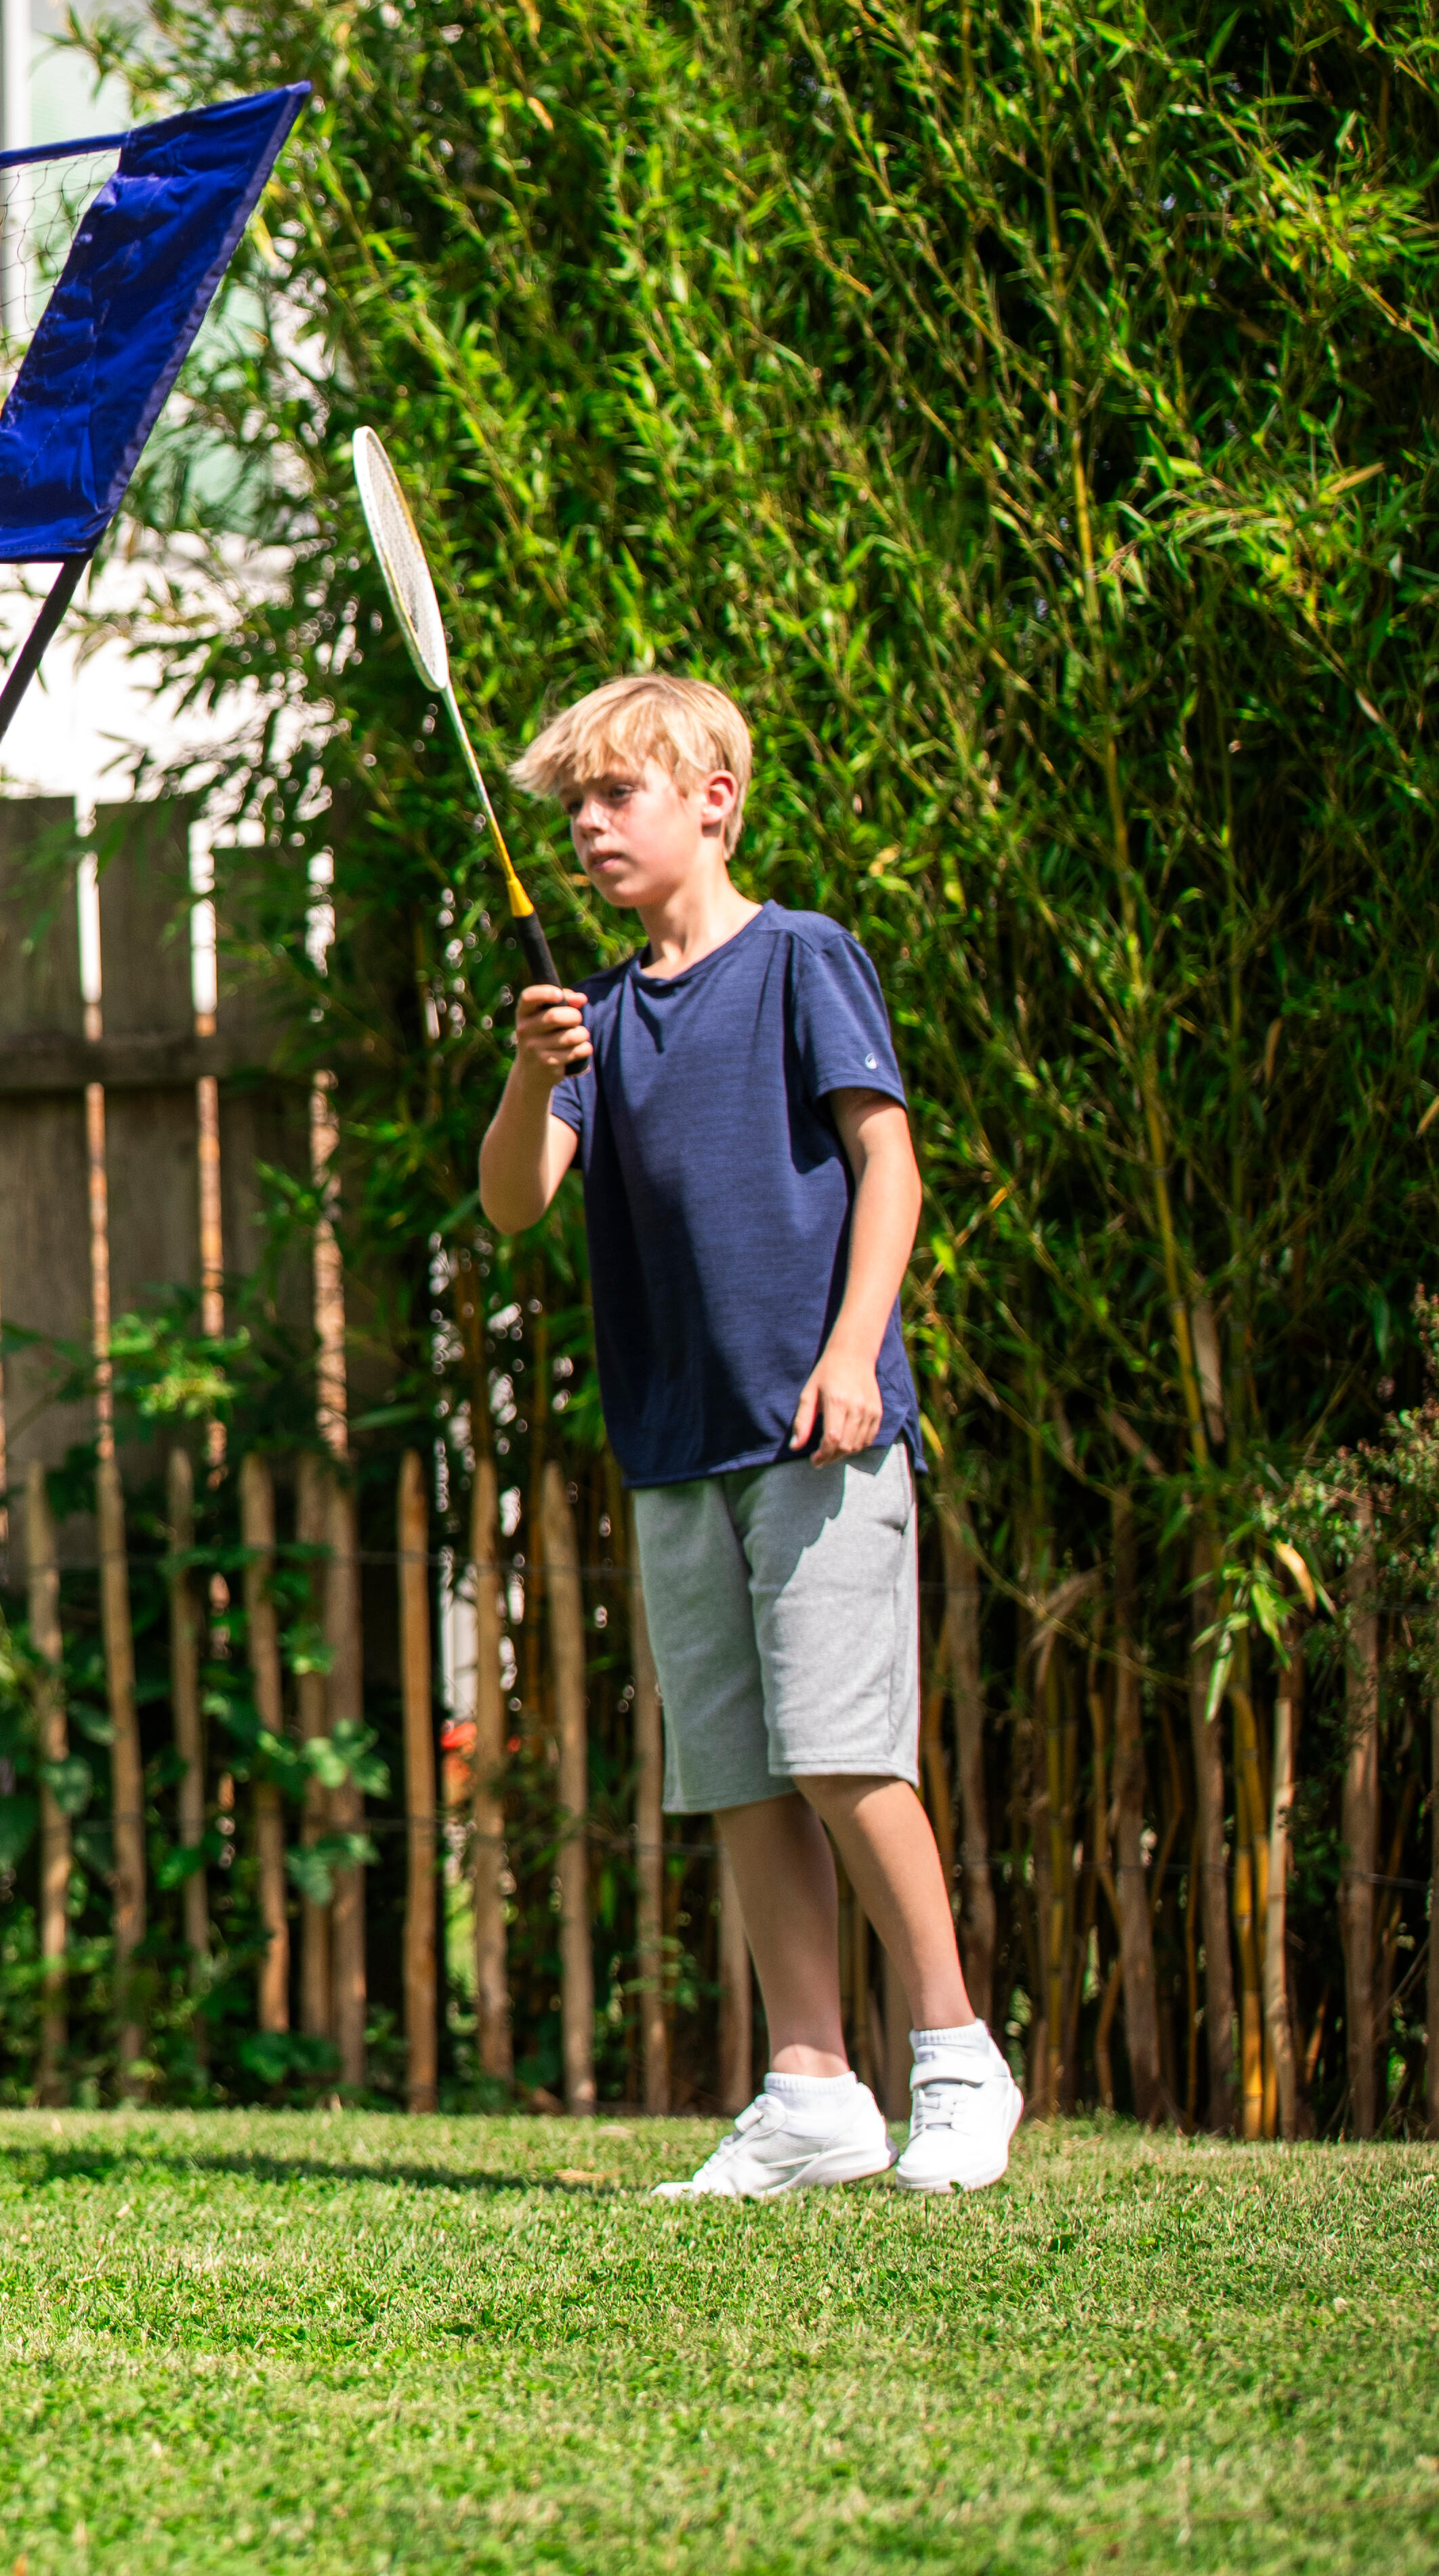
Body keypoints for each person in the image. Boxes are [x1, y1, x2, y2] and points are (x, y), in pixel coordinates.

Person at [478, 672, 1015, 2198]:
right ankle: (813, 2093)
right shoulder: (600, 1020)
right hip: (674, 1439)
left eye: (617, 795)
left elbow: (888, 1166)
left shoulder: (801, 962)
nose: (588, 825)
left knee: (847, 1753)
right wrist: (531, 1073)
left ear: (714, 801)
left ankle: (960, 2059)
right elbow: (514, 1202)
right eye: (574, 806)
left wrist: (855, 1352)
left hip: (816, 1425)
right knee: (740, 1774)